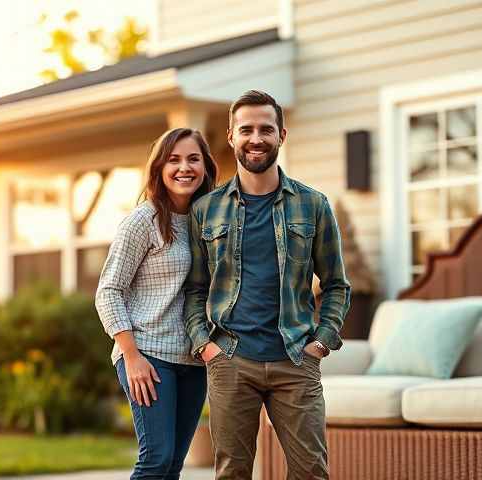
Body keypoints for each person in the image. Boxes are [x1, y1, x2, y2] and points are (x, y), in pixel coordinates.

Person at [184, 90, 351, 479]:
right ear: (231, 137)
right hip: (229, 358)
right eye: (246, 129)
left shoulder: (313, 205)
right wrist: (205, 346)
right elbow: (194, 289)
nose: (255, 138)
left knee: (311, 471)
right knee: (232, 473)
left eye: (265, 129)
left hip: (295, 357)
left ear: (282, 135)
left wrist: (321, 341)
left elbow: (336, 285)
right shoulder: (206, 209)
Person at [95, 128, 218, 480]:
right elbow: (109, 290)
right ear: (159, 168)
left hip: (192, 358)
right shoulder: (142, 221)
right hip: (147, 355)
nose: (184, 167)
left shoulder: (207, 222)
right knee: (156, 460)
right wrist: (131, 356)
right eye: (174, 160)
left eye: (193, 159)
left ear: (206, 166)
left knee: (173, 466)